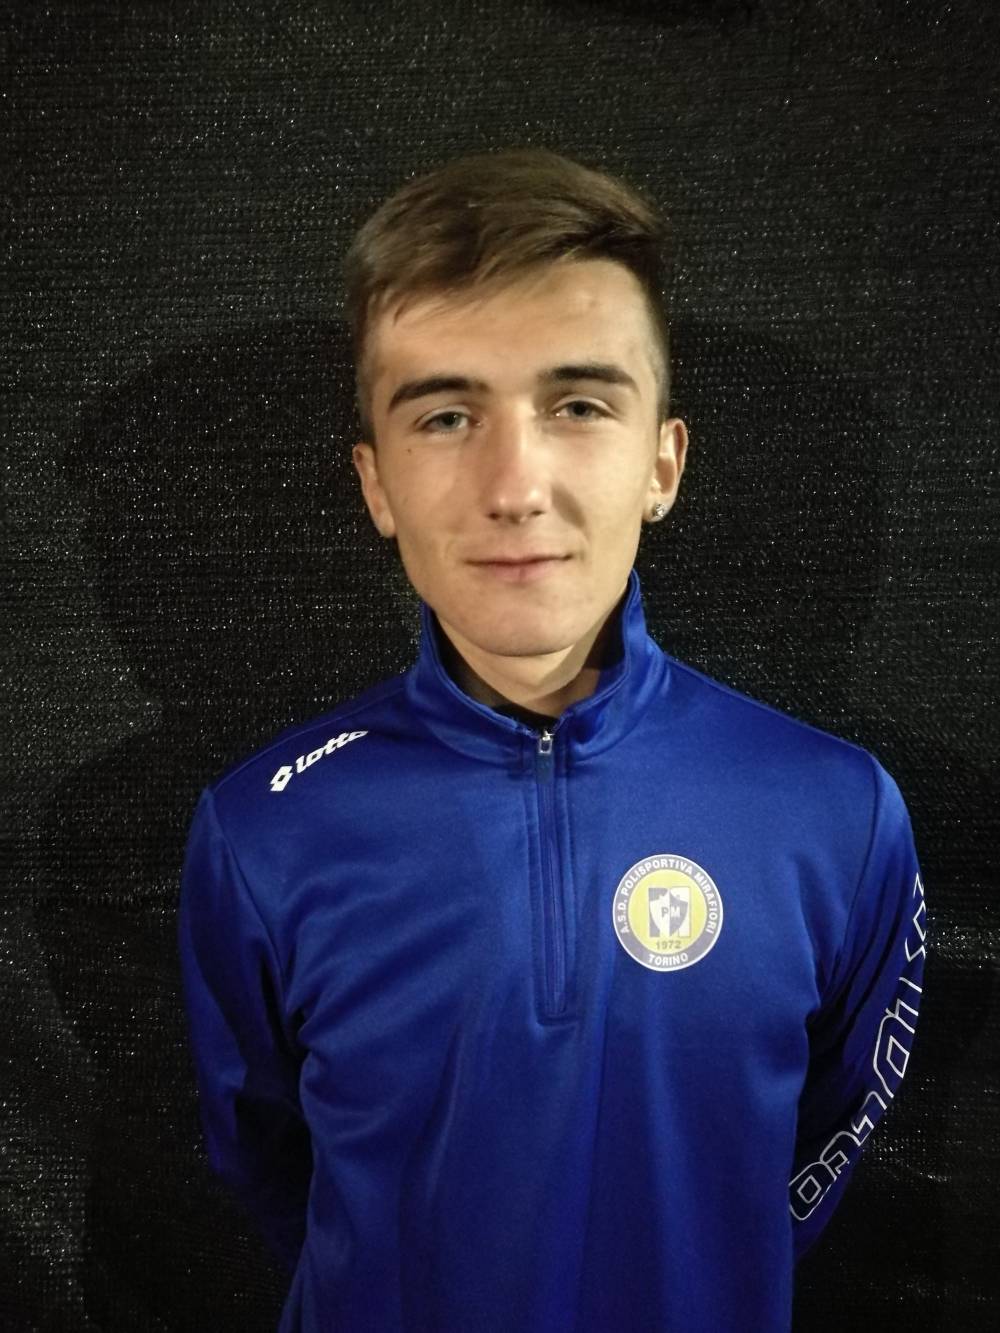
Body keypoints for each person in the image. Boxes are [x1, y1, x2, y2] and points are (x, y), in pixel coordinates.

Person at [176, 145, 926, 1333]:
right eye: (445, 415)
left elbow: (820, 1140)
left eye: (577, 406)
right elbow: (265, 1161)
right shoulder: (262, 826)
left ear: (662, 464)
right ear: (375, 485)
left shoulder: (835, 810)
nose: (514, 485)